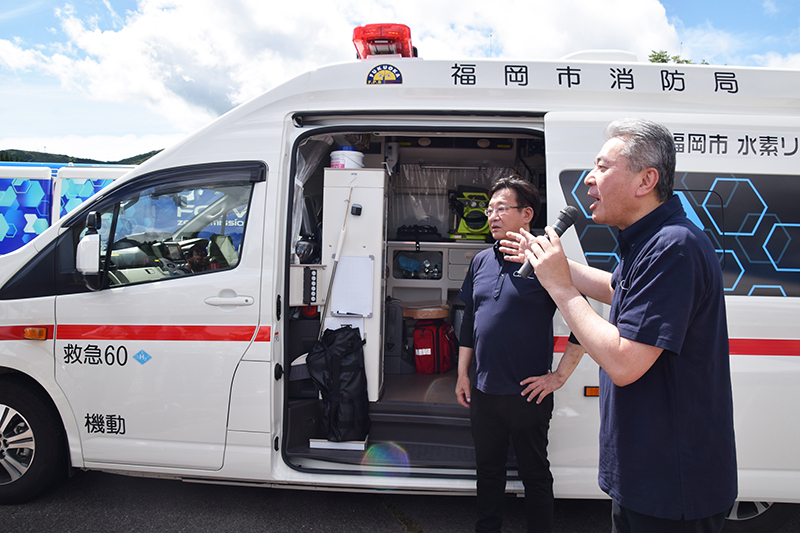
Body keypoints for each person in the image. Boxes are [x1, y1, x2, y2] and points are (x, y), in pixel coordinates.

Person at [503, 119, 737, 532]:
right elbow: (616, 288)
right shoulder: (650, 241)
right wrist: (545, 259)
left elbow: (625, 364)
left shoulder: (673, 246)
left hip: (671, 490)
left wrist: (559, 286)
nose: (589, 180)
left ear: (646, 180)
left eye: (602, 167)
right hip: (645, 476)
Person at [455, 175, 584, 533]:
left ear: (527, 214)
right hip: (484, 392)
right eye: (489, 209)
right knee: (488, 474)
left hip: (527, 393)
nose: (492, 216)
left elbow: (583, 320)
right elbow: (470, 321)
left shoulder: (546, 263)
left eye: (502, 209)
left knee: (535, 476)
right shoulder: (481, 260)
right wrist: (463, 373)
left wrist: (558, 377)